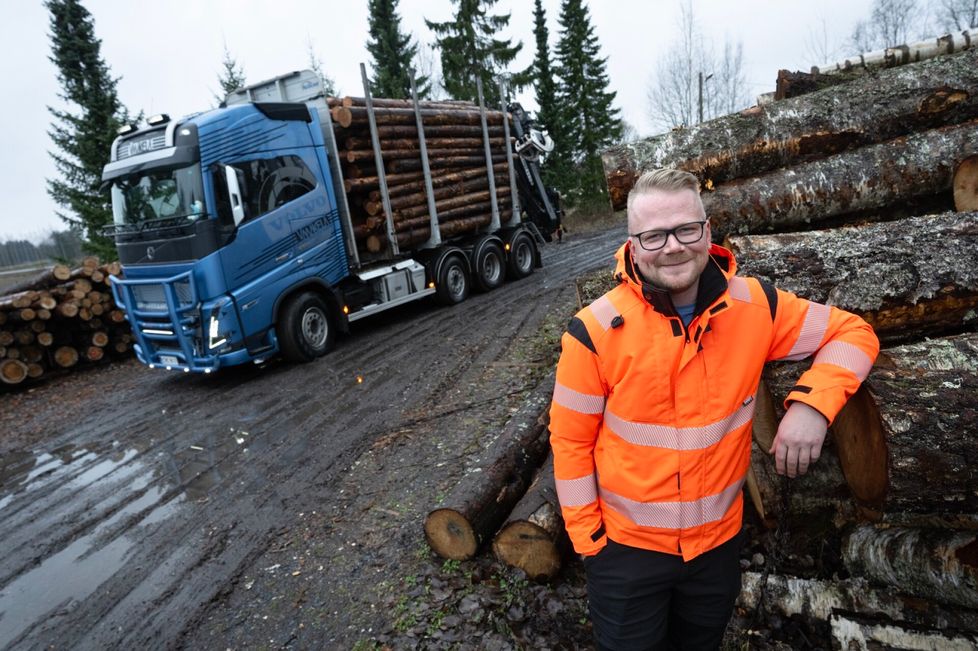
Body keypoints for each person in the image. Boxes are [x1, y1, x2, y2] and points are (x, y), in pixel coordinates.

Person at [548, 168, 879, 650]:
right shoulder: (594, 332)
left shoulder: (755, 307)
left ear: (707, 230)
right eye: (654, 235)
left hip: (717, 550)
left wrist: (813, 406)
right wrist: (590, 545)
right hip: (625, 554)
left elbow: (854, 333)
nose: (673, 246)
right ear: (633, 245)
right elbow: (571, 444)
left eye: (686, 229)